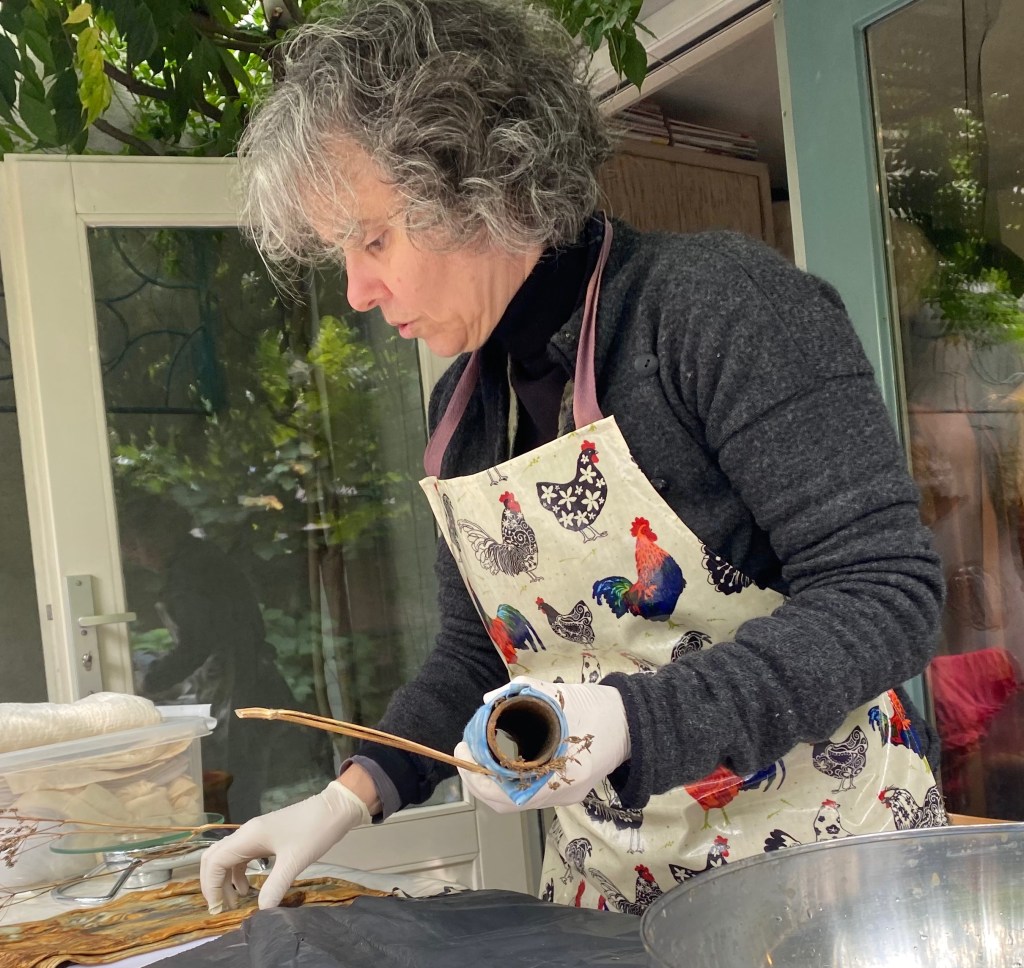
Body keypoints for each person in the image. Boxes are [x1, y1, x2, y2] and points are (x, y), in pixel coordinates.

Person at [199, 0, 946, 915]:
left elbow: (886, 592)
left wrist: (633, 721)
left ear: (480, 182)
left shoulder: (717, 308)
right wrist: (350, 795)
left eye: (373, 239)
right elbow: (476, 654)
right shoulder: (465, 409)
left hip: (823, 878)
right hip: (612, 901)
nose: (356, 290)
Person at [118, 491, 334, 823]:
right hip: (248, 679)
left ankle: (239, 846)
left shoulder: (189, 573)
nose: (134, 556)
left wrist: (151, 680)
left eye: (135, 545)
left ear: (159, 534)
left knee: (232, 787)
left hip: (238, 687)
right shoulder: (200, 557)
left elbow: (196, 644)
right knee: (242, 782)